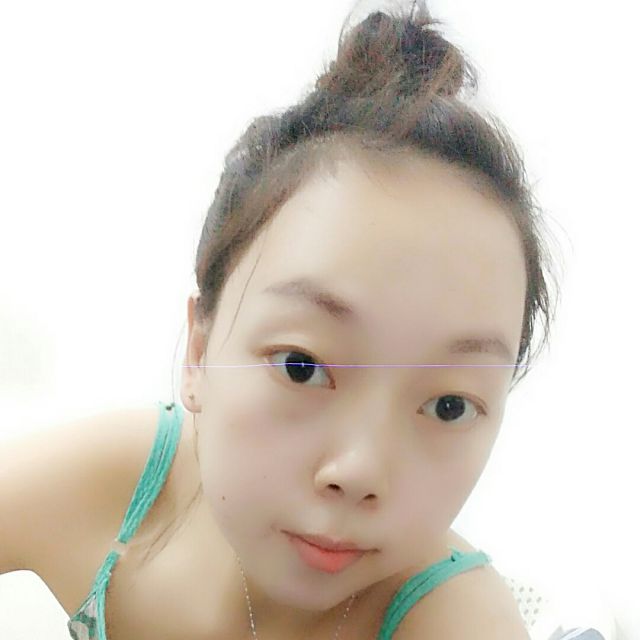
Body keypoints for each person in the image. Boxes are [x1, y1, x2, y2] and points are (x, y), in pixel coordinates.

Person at [65, 0, 558, 638]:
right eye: (301, 366)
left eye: (449, 406)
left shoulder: (458, 619)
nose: (359, 472)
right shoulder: (126, 485)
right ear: (200, 351)